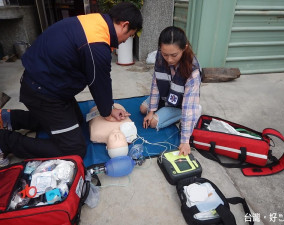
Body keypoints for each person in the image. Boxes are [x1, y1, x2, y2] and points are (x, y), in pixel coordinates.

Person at [0, 2, 143, 166]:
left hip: (46, 82)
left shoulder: (97, 22)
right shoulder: (97, 44)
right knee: (74, 148)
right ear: (125, 25)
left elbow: (99, 78)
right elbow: (98, 81)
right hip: (43, 91)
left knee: (76, 120)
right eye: (129, 35)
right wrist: (107, 111)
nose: (125, 41)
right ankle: (4, 141)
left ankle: (9, 118)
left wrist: (108, 107)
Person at [140, 26, 202, 156]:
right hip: (165, 97)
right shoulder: (159, 57)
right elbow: (155, 84)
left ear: (184, 48)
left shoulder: (193, 70)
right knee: (143, 109)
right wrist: (151, 110)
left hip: (180, 104)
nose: (169, 59)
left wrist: (185, 141)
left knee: (153, 123)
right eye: (165, 54)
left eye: (174, 55)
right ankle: (159, 110)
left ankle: (195, 111)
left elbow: (187, 105)